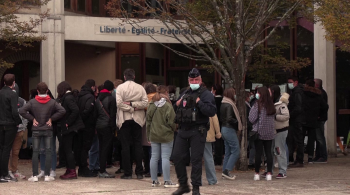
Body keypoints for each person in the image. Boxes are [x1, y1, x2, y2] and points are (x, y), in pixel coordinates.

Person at [172, 68, 216, 195]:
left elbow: (211, 111)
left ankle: (195, 188)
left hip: (198, 130)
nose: (194, 81)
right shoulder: (185, 92)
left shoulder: (206, 94)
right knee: (177, 157)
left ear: (200, 80)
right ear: (188, 80)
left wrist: (199, 103)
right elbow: (175, 109)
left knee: (196, 160)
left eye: (196, 79)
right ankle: (183, 185)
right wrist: (177, 104)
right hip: (183, 130)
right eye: (192, 80)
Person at [20, 82, 66, 182]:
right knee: (49, 151)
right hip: (48, 129)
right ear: (47, 91)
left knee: (36, 152)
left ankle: (35, 175)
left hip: (36, 130)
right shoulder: (52, 102)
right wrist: (51, 119)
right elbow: (62, 111)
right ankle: (47, 175)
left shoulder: (32, 102)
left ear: (37, 91)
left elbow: (22, 111)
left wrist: (32, 119)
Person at [116, 69, 148, 179]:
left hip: (124, 119)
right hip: (138, 119)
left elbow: (119, 104)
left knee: (125, 146)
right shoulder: (140, 88)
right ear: (134, 76)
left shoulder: (120, 88)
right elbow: (145, 103)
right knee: (138, 145)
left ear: (124, 77)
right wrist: (134, 107)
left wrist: (129, 107)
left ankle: (128, 173)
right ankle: (139, 172)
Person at [146, 92, 178, 187]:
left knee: (154, 157)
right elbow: (172, 122)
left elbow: (148, 122)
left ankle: (154, 180)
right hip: (166, 135)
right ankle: (167, 181)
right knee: (165, 157)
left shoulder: (151, 105)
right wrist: (174, 129)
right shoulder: (168, 106)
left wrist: (148, 136)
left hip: (154, 134)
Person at [57, 81, 85, 180]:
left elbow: (75, 110)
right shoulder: (70, 97)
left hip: (70, 128)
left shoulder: (68, 98)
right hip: (73, 127)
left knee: (68, 149)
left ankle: (72, 171)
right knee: (69, 149)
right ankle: (70, 169)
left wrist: (68, 122)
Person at [249, 86, 276, 181]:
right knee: (269, 153)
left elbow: (252, 119)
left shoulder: (257, 105)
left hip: (259, 132)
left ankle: (257, 173)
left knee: (258, 153)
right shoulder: (271, 105)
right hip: (269, 132)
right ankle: (269, 172)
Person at [0, 74, 22, 182]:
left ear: (4, 82)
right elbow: (14, 111)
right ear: (13, 83)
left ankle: (2, 174)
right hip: (10, 124)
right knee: (7, 149)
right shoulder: (13, 94)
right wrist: (18, 121)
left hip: (0, 123)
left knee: (1, 148)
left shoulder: (0, 93)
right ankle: (4, 174)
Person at [302, 80, 328, 163]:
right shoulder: (318, 94)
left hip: (308, 119)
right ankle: (314, 156)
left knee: (318, 138)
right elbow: (325, 106)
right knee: (313, 139)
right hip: (314, 119)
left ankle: (321, 156)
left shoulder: (304, 94)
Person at [95, 80, 117, 178]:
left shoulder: (97, 98)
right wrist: (113, 128)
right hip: (107, 126)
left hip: (99, 125)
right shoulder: (111, 99)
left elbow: (95, 114)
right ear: (111, 89)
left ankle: (100, 168)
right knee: (105, 148)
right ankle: (103, 170)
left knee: (101, 147)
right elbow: (113, 115)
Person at [77, 79, 97, 177]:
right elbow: (88, 109)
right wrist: (84, 118)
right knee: (85, 147)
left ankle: (81, 168)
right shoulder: (90, 96)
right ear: (92, 87)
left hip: (80, 126)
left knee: (81, 147)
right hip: (88, 125)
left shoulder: (79, 95)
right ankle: (84, 168)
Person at [220, 88, 242, 180]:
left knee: (228, 151)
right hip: (229, 128)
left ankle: (225, 171)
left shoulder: (223, 103)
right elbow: (229, 118)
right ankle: (227, 170)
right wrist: (237, 122)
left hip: (224, 128)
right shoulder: (229, 104)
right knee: (236, 150)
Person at [269, 85, 290, 179]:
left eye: (269, 91)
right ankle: (269, 170)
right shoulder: (271, 102)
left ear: (273, 92)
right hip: (272, 130)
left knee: (279, 150)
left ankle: (282, 171)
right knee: (270, 151)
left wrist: (275, 117)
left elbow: (286, 116)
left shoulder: (281, 104)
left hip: (280, 130)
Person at [8, 89, 27, 180]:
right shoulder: (4, 99)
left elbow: (25, 115)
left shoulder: (22, 101)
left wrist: (23, 127)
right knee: (7, 151)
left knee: (15, 152)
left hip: (19, 130)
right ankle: (7, 170)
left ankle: (14, 170)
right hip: (7, 129)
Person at [287, 76, 305, 167]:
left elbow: (298, 107)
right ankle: (297, 159)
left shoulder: (297, 92)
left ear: (296, 82)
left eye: (291, 82)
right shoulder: (295, 92)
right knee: (295, 139)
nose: (289, 84)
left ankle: (299, 160)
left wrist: (290, 115)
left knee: (298, 140)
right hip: (296, 119)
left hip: (296, 119)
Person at [314, 78, 330, 159]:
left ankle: (323, 156)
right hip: (320, 118)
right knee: (318, 137)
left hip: (320, 118)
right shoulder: (321, 93)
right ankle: (318, 155)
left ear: (316, 85)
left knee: (320, 138)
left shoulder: (320, 93)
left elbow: (324, 106)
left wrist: (319, 115)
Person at [204, 114, 221, 185]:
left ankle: (196, 180)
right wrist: (218, 133)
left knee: (195, 159)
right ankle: (212, 179)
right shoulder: (209, 107)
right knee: (208, 157)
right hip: (208, 134)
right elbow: (215, 122)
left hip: (194, 135)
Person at [211, 84, 224, 166]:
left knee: (216, 141)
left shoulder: (213, 100)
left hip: (214, 121)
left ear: (215, 91)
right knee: (221, 140)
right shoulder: (224, 100)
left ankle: (217, 158)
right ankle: (221, 156)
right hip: (222, 121)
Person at [246, 91, 255, 169]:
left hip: (249, 128)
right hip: (249, 129)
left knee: (251, 145)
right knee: (251, 145)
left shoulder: (248, 105)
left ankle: (251, 161)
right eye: (249, 96)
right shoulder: (246, 106)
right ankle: (251, 161)